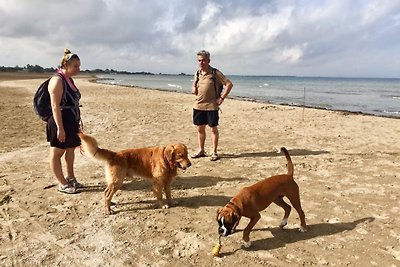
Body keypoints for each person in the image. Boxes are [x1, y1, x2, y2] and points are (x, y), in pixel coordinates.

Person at [47, 48, 83, 194]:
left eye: (79, 66)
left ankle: (71, 177)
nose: (78, 69)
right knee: (57, 153)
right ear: (66, 65)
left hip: (71, 121)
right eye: (75, 66)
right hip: (59, 121)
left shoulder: (69, 79)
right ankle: (62, 183)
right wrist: (60, 128)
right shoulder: (57, 80)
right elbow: (55, 106)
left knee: (70, 150)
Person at [191, 50, 233, 161]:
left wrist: (222, 98)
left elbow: (229, 84)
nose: (201, 62)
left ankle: (214, 152)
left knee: (213, 129)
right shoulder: (197, 73)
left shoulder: (215, 73)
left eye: (203, 60)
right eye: (199, 60)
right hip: (198, 106)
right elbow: (194, 88)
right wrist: (194, 88)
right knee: (200, 129)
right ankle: (201, 150)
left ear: (208, 61)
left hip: (211, 107)